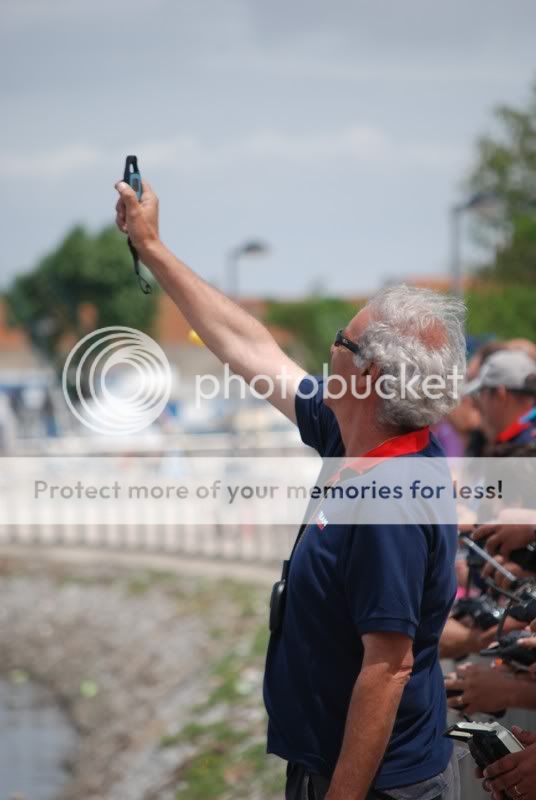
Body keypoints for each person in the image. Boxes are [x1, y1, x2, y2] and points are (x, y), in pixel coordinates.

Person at [114, 178, 467, 800]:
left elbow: (388, 670)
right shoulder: (359, 433)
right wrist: (151, 247)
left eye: (341, 338)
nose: (329, 348)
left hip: (374, 785)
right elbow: (251, 348)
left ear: (368, 375)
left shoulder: (389, 496)